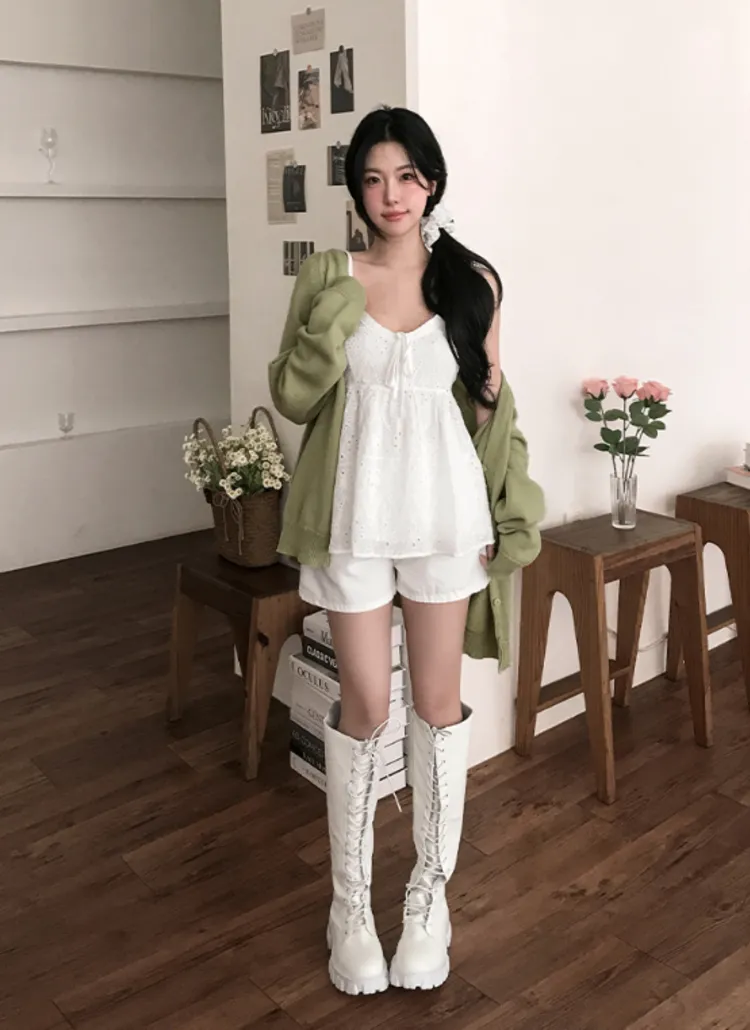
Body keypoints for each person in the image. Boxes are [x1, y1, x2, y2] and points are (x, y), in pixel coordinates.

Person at [269, 106, 544, 996]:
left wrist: (506, 506)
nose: (393, 194)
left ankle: (429, 898)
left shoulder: (473, 281)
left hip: (444, 516)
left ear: (432, 182)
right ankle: (350, 906)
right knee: (363, 707)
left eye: (408, 176)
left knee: (435, 703)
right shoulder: (328, 274)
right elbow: (292, 397)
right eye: (375, 178)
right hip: (351, 514)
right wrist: (331, 321)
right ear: (357, 191)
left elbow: (489, 410)